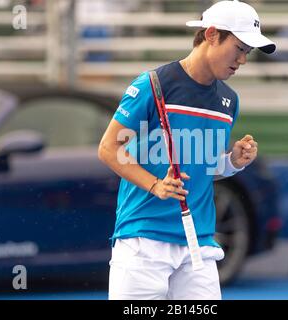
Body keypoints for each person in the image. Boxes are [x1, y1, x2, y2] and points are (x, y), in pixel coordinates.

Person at [98, 0, 276, 300]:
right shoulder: (152, 84)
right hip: (143, 240)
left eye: (247, 52)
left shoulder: (228, 101)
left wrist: (232, 161)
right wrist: (155, 185)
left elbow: (202, 166)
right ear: (210, 35)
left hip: (199, 244)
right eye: (239, 48)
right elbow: (108, 149)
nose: (242, 60)